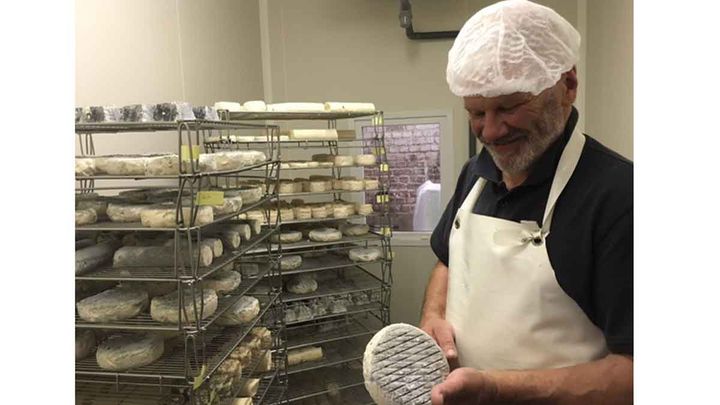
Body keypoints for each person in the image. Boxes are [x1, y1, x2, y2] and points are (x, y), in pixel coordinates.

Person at [421, 0, 633, 403]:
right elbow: (448, 259)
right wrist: (433, 315)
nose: (491, 130)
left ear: (568, 85)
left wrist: (497, 388)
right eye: (476, 112)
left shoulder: (620, 197)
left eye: (509, 107)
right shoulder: (475, 176)